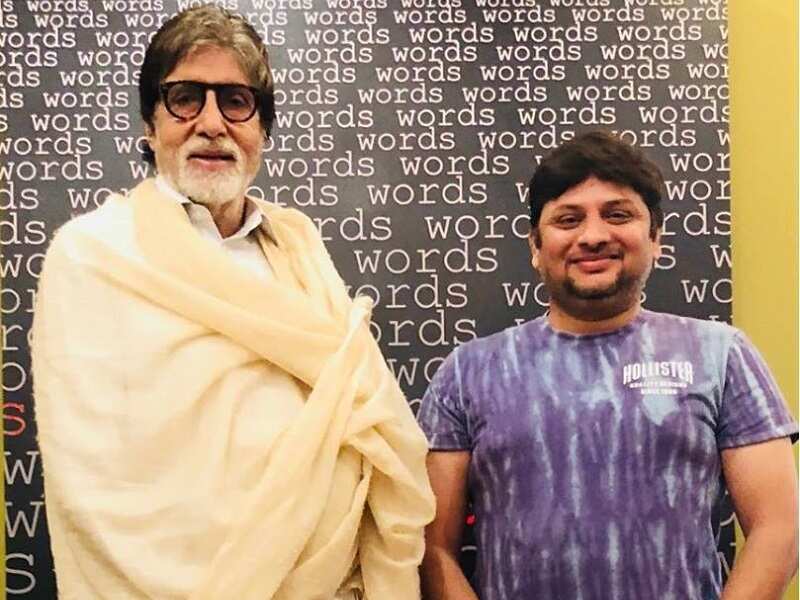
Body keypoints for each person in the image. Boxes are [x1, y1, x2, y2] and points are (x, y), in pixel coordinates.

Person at [32, 6, 434, 599]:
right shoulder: (92, 255)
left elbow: (366, 415)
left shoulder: (298, 245)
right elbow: (92, 478)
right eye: (185, 98)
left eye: (236, 101)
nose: (212, 123)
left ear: (262, 130)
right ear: (150, 126)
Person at [418, 131, 798, 600]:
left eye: (618, 215)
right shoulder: (466, 373)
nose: (594, 236)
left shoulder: (722, 355)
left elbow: (778, 529)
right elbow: (432, 549)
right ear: (536, 245)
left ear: (655, 238)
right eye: (568, 219)